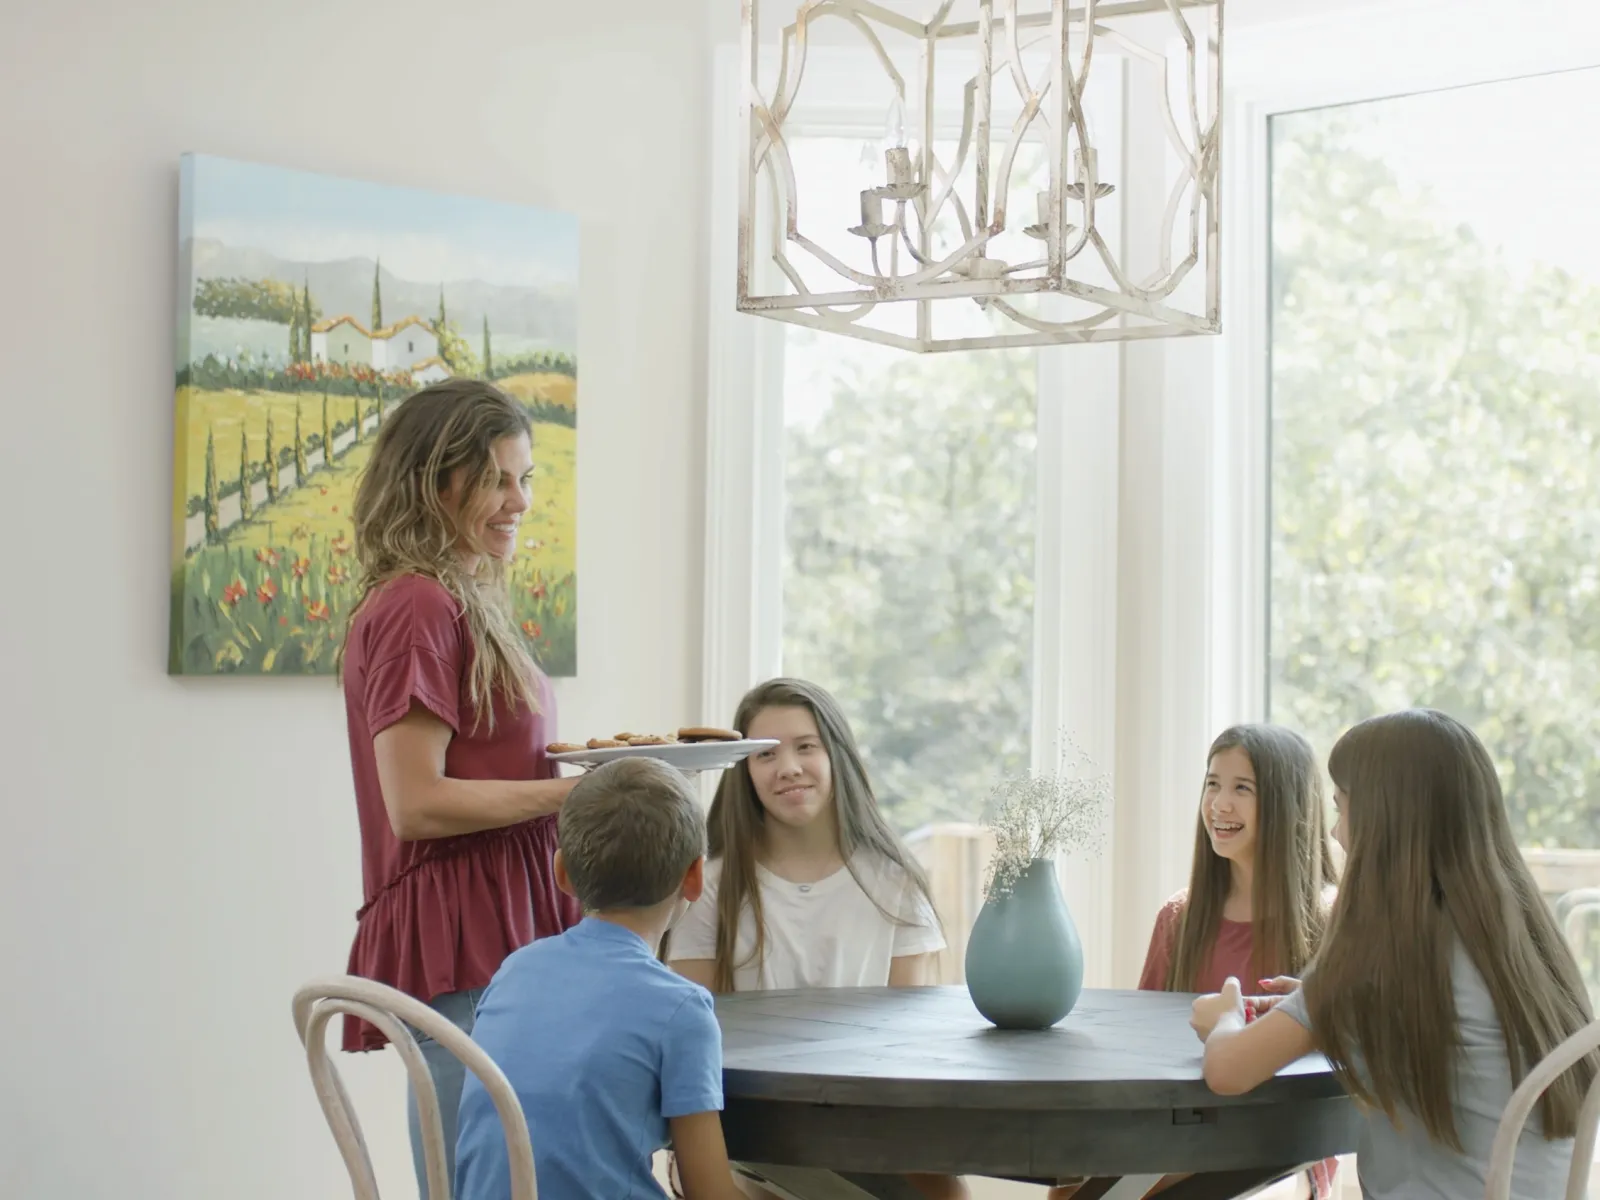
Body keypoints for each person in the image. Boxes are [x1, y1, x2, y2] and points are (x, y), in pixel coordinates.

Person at [1191, 709, 1599, 1200]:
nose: (1338, 834)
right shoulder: (1521, 944)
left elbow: (1228, 1070)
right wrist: (1325, 1008)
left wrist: (1227, 1015)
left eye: (1342, 809)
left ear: (1386, 823)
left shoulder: (1378, 955)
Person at [338, 379, 580, 1192]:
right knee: (482, 1181)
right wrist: (570, 797)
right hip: (464, 934)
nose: (519, 501)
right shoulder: (417, 604)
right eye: (498, 481)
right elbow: (418, 802)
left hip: (500, 928)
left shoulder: (460, 599)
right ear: (437, 484)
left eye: (527, 479)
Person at [668, 677, 966, 1200]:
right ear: (744, 772)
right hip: (750, 1131)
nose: (788, 767)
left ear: (837, 756)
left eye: (806, 747)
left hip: (872, 1126)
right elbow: (693, 1043)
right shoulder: (708, 886)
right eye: (765, 754)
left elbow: (913, 1043)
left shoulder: (894, 882)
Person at [1052, 725, 1339, 1200]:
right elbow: (1141, 1054)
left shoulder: (1333, 921)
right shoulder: (1178, 918)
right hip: (1180, 1136)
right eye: (1212, 784)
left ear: (1288, 805)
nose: (1219, 805)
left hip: (1282, 1152)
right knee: (1069, 1190)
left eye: (1241, 788)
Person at [456, 758, 746, 1200]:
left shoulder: (515, 968)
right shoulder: (681, 1009)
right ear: (695, 876)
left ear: (562, 873)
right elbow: (708, 1191)